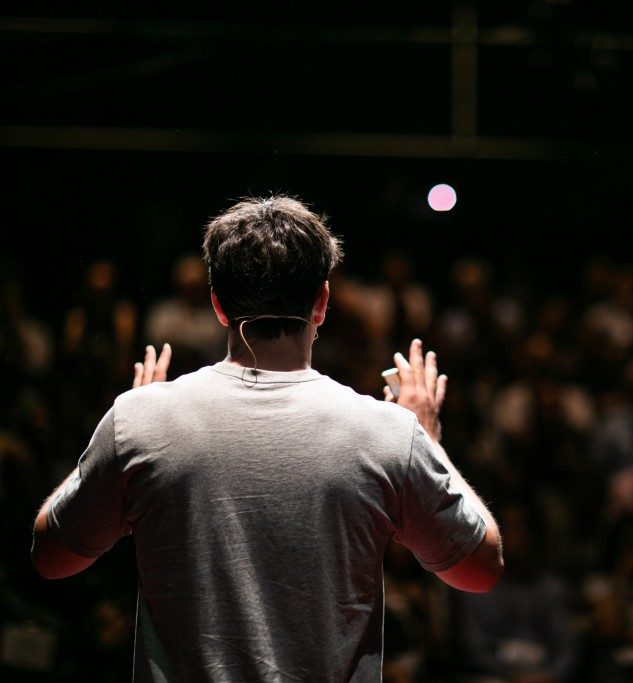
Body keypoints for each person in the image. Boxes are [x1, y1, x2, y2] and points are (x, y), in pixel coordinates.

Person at [30, 196, 504, 681]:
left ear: (217, 304)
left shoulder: (141, 419)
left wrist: (129, 430)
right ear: (321, 302)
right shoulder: (387, 431)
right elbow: (479, 569)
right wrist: (428, 440)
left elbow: (51, 558)